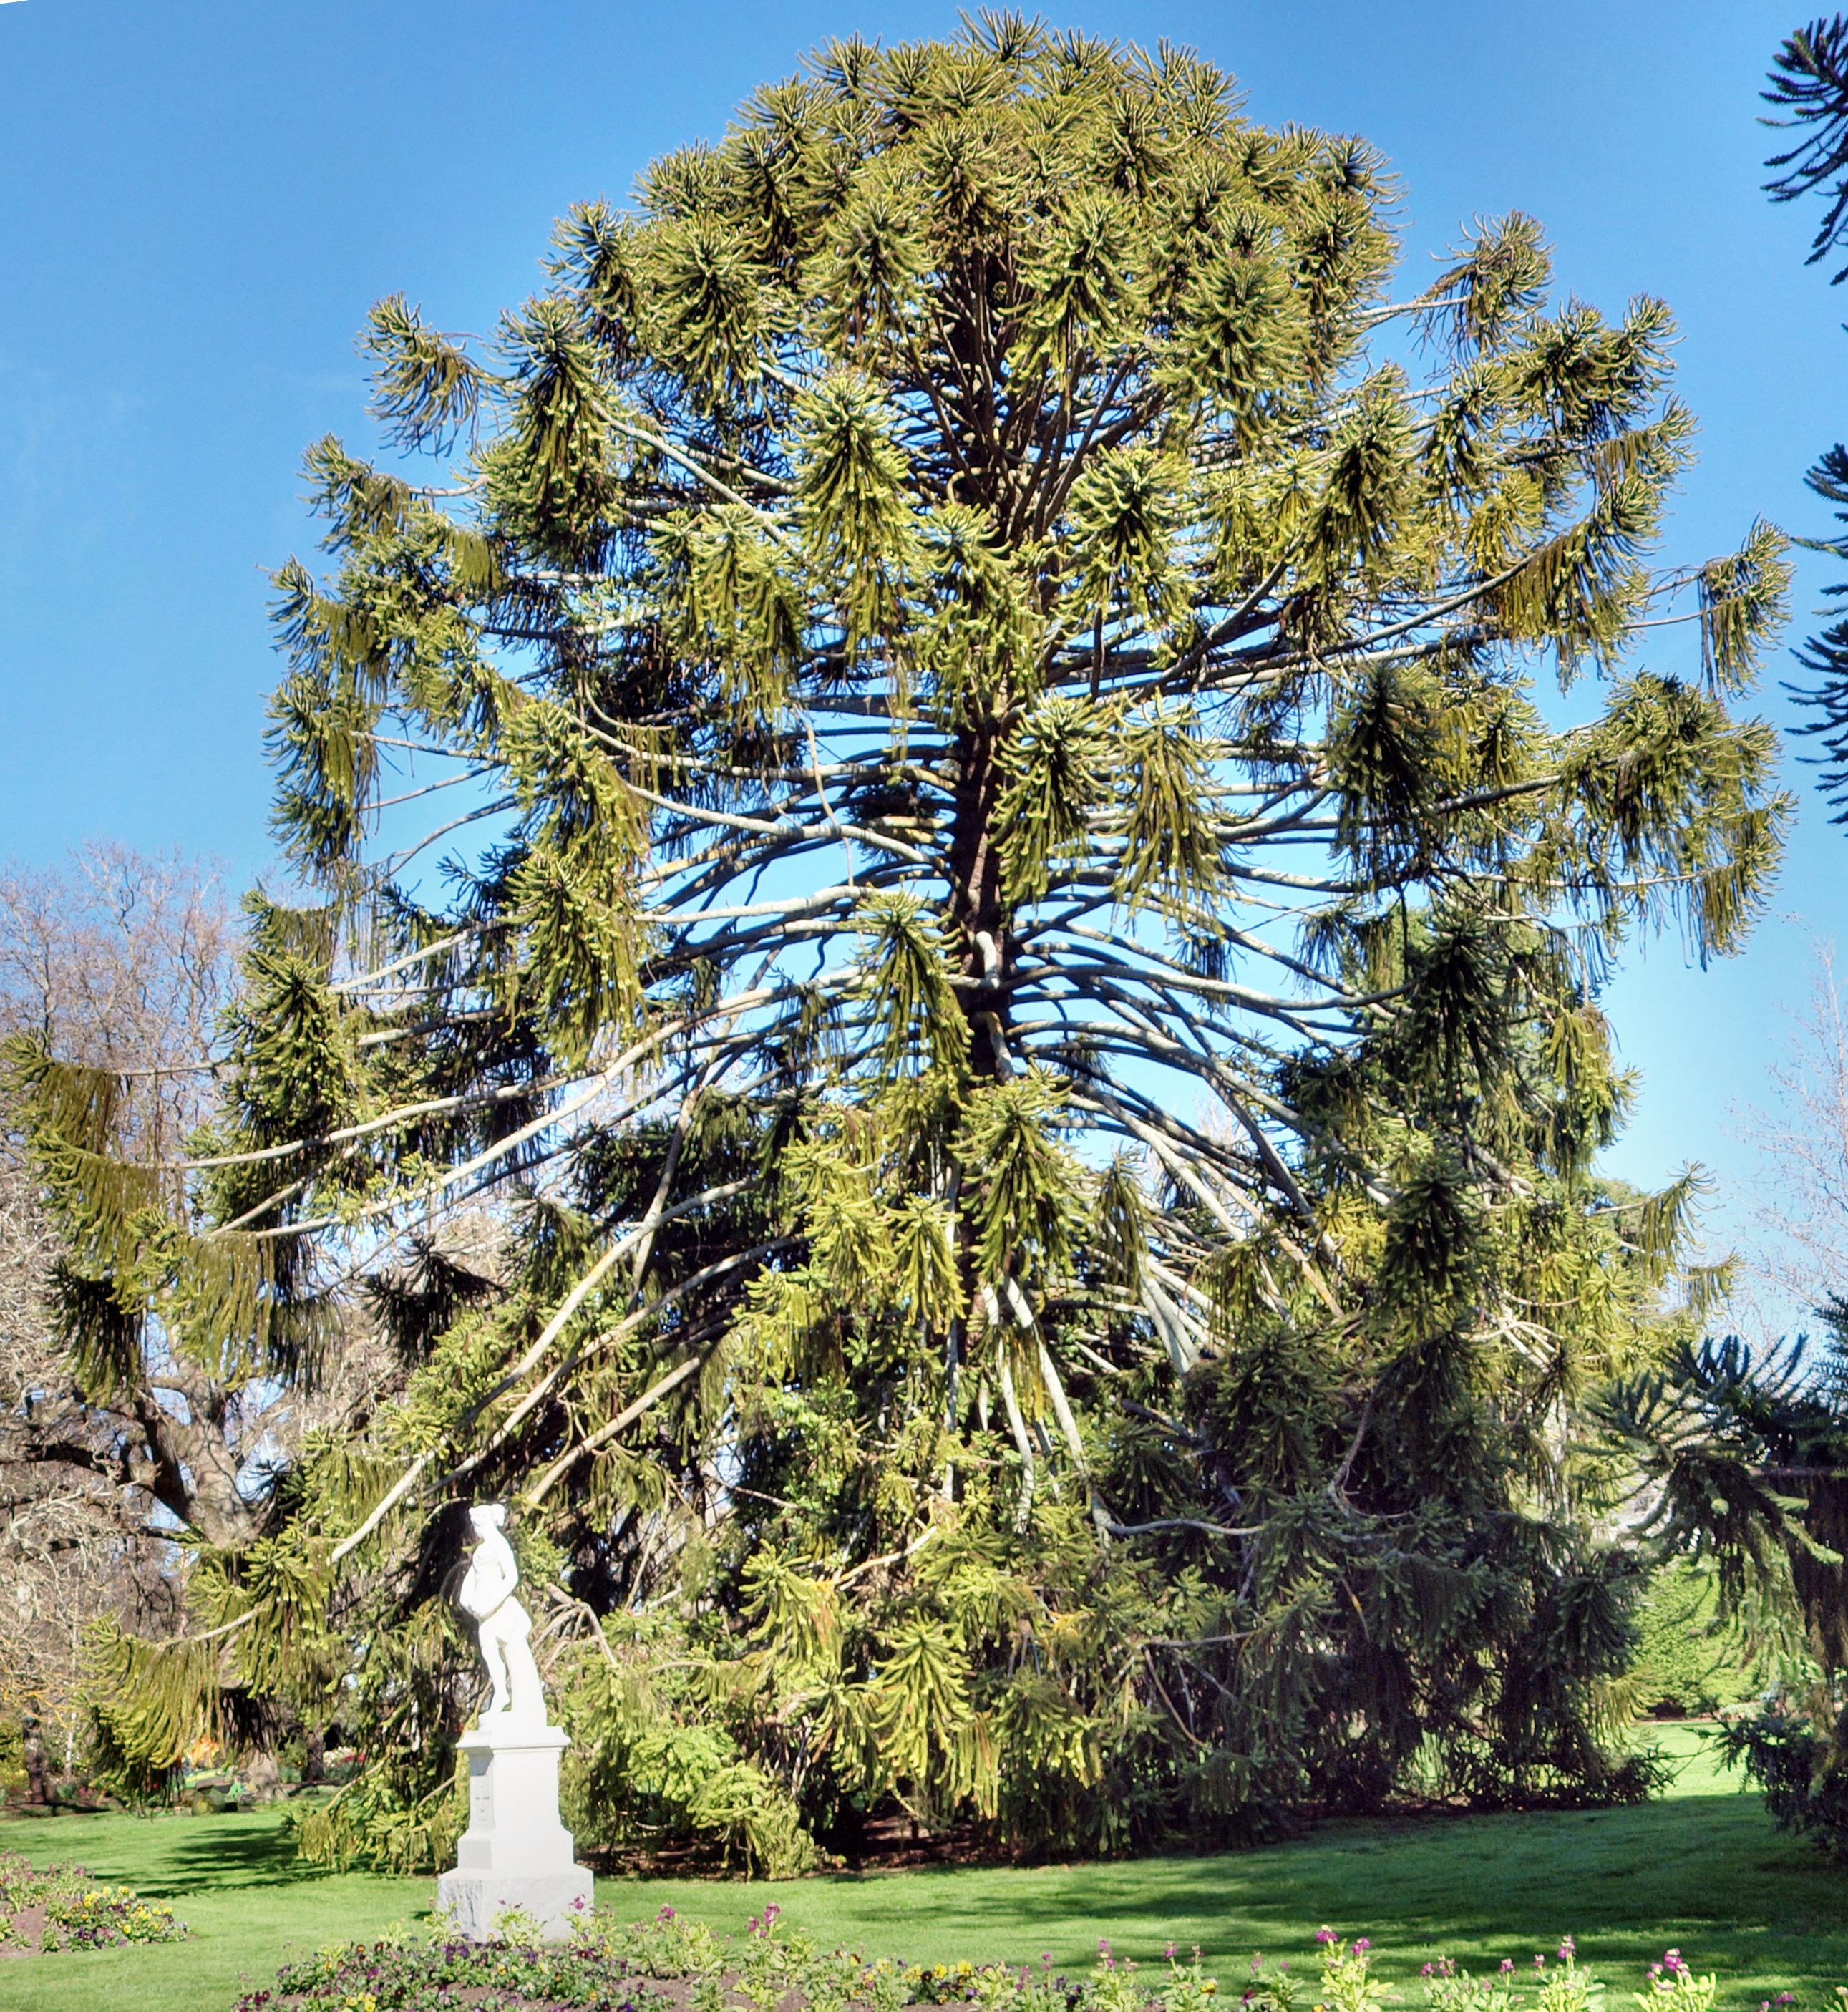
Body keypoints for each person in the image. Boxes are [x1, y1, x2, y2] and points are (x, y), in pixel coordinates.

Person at [457, 1504, 547, 1728]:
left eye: (476, 1524)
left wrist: (490, 1603)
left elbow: (512, 1577)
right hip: (484, 1613)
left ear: (484, 1523)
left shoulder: (499, 1545)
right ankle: (501, 1693)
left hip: (499, 1609)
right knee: (489, 1653)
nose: (475, 1529)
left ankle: (514, 1699)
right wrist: (468, 1603)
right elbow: (470, 1582)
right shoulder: (480, 1551)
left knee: (512, 1654)